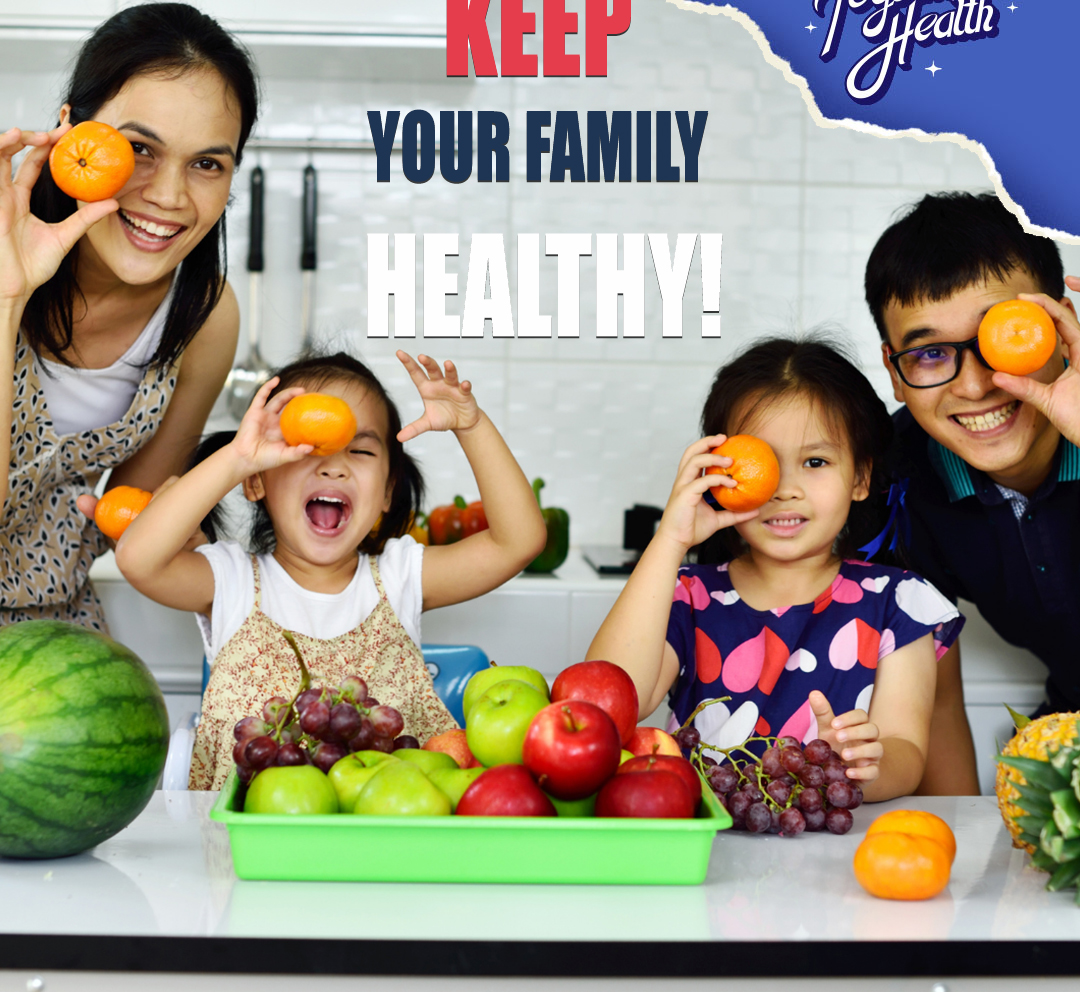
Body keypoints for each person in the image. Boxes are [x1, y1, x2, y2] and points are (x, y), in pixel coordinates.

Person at [114, 349, 548, 790]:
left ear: (386, 493)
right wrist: (236, 459)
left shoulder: (399, 578)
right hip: (250, 846)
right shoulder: (231, 581)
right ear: (257, 479)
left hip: (384, 832)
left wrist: (470, 426)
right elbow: (137, 559)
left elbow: (519, 541)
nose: (334, 466)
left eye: (360, 450)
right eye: (303, 447)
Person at [587, 337, 963, 803]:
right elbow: (606, 703)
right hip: (705, 857)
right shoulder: (689, 595)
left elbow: (906, 752)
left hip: (831, 862)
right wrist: (670, 539)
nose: (784, 489)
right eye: (761, 462)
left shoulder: (898, 605)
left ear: (861, 478)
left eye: (815, 461)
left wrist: (864, 765)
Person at [0, 2, 257, 630]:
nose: (169, 197)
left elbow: (128, 513)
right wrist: (7, 299)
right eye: (140, 148)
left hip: (55, 633)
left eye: (206, 164)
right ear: (70, 133)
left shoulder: (203, 315)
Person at [866, 191, 1080, 795]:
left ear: (1061, 328)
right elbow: (929, 697)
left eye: (1003, 335)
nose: (978, 385)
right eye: (931, 353)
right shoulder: (896, 481)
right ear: (894, 369)